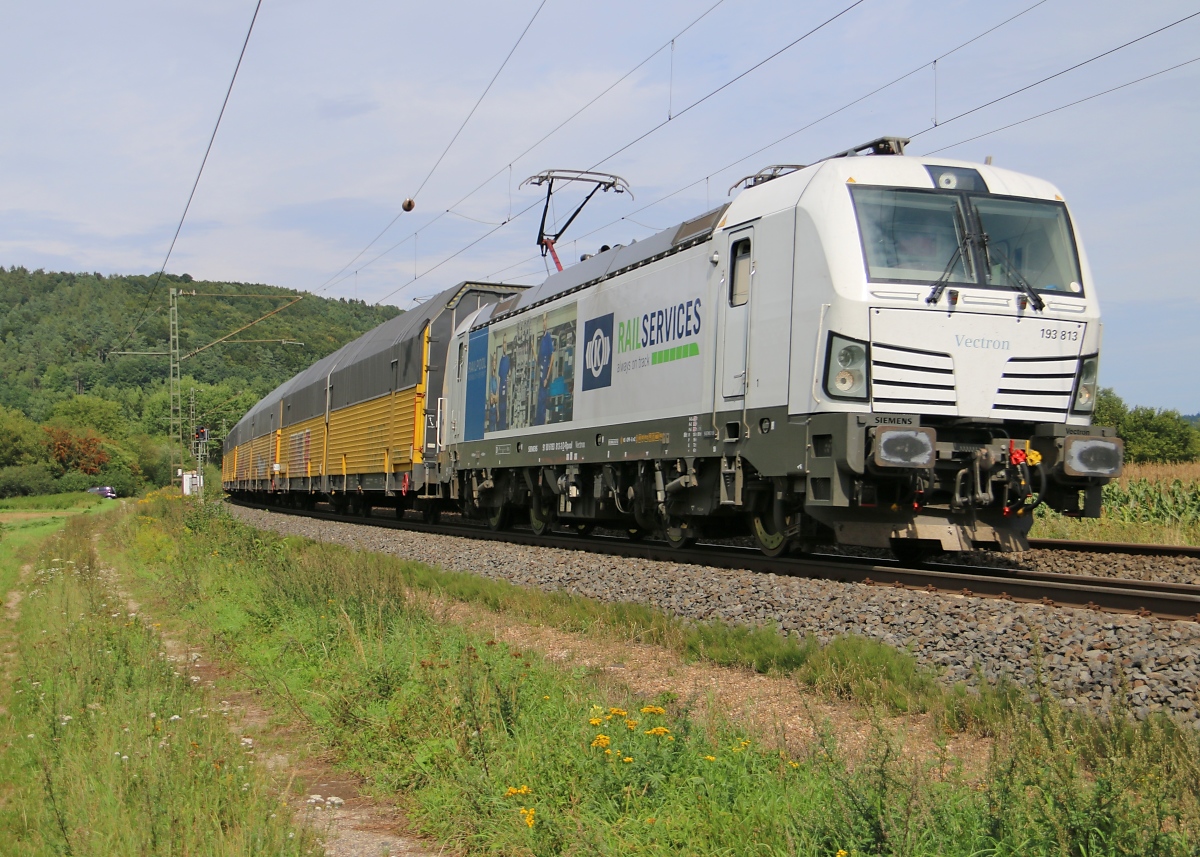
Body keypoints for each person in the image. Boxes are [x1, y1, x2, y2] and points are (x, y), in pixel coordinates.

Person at [535, 315, 555, 425]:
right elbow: (538, 360)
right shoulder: (542, 339)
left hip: (545, 378)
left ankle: (543, 422)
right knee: (540, 401)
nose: (543, 323)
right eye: (542, 321)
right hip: (541, 377)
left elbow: (552, 357)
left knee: (543, 401)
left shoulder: (548, 338)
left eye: (545, 320)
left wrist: (547, 376)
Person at [497, 340, 511, 431]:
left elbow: (509, 373)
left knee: (505, 407)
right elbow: (499, 376)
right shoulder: (501, 360)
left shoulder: (507, 360)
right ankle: (500, 426)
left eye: (506, 344)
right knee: (501, 407)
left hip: (506, 385)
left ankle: (503, 426)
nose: (505, 346)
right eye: (504, 344)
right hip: (501, 385)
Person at [486, 352, 498, 433]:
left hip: (495, 409)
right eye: (493, 362)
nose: (494, 364)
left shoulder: (496, 379)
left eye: (495, 362)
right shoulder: (491, 380)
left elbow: (497, 398)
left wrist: (495, 397)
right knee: (491, 429)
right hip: (492, 410)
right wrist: (494, 397)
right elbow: (492, 399)